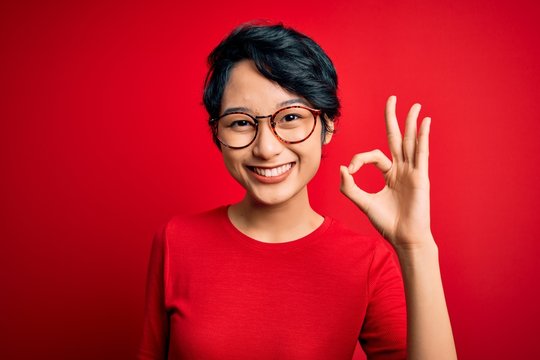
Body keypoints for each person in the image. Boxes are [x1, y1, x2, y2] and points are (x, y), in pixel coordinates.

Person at [138, 22, 457, 360]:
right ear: (218, 132)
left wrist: (416, 245)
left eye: (290, 117)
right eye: (241, 122)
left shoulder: (367, 264)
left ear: (328, 125)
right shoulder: (176, 242)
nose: (266, 148)